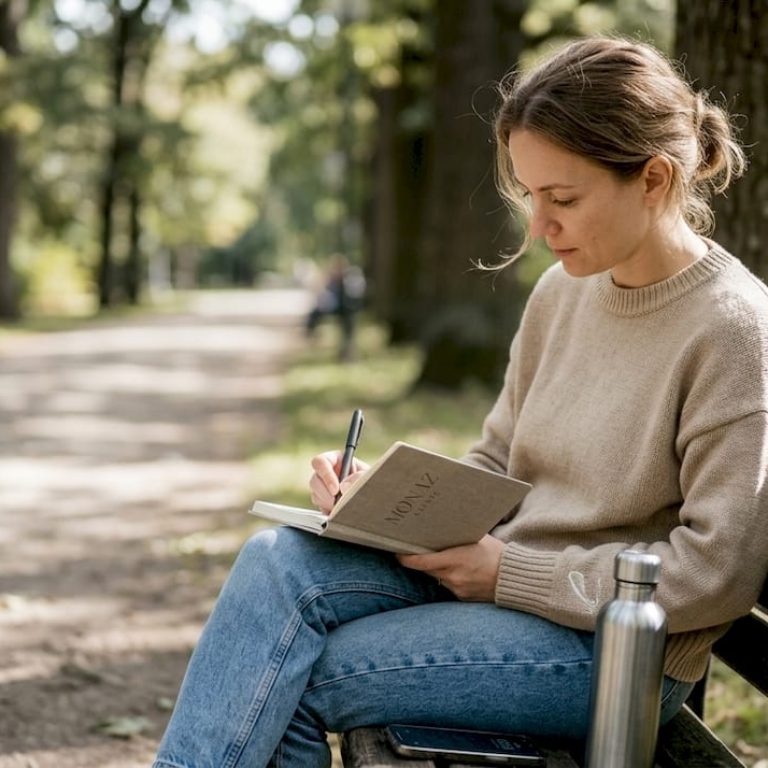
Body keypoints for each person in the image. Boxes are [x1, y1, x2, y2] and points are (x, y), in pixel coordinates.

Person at [152, 36, 768, 768]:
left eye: (562, 198)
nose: (539, 228)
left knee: (291, 673)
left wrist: (507, 572)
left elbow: (714, 574)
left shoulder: (733, 330)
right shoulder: (560, 293)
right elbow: (496, 460)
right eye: (530, 196)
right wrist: (383, 504)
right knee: (277, 563)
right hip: (504, 590)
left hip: (613, 654)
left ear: (655, 179)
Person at [305, 255, 366, 361]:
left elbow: (356, 296)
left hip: (347, 310)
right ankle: (310, 331)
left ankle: (347, 352)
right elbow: (323, 293)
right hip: (336, 308)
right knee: (314, 313)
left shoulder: (350, 278)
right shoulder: (332, 280)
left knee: (349, 326)